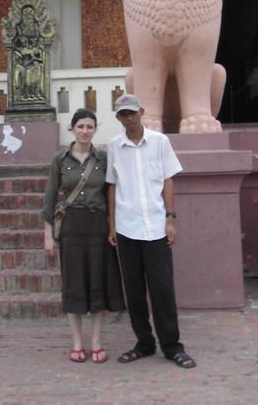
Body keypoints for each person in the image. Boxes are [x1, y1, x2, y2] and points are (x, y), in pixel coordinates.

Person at [106, 94, 196, 369]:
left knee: (162, 290)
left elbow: (168, 180)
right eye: (123, 114)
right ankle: (144, 343)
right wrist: (111, 224)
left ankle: (172, 346)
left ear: (141, 112)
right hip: (126, 228)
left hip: (156, 227)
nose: (129, 118)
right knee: (133, 292)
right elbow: (112, 185)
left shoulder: (159, 142)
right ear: (118, 117)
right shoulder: (114, 146)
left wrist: (170, 219)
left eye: (132, 113)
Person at [42, 108, 125, 363]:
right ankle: (77, 342)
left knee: (98, 282)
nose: (85, 131)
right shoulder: (60, 159)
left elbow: (111, 193)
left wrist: (112, 227)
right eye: (81, 126)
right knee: (74, 283)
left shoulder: (103, 158)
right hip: (71, 226)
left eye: (90, 127)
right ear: (73, 129)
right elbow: (50, 197)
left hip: (97, 225)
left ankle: (97, 341)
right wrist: (48, 236)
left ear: (95, 129)